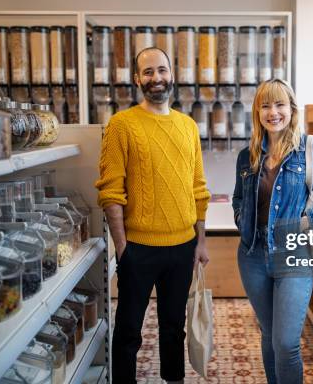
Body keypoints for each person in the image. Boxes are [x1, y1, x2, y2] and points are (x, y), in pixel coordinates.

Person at [95, 47, 211, 384]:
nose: (156, 78)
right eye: (148, 72)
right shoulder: (121, 125)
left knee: (173, 327)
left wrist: (200, 242)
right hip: (139, 248)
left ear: (172, 74)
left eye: (161, 70)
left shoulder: (188, 126)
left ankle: (173, 380)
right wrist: (122, 248)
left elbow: (198, 188)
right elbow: (110, 191)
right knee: (129, 330)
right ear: (136, 79)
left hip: (182, 246)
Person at [232, 79, 313, 384]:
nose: (273, 112)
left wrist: (309, 219)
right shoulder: (248, 155)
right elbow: (239, 197)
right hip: (253, 256)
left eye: (280, 104)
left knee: (285, 342)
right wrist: (240, 216)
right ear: (257, 112)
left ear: (291, 109)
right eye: (265, 105)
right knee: (270, 335)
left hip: (294, 256)